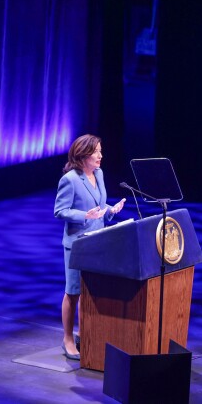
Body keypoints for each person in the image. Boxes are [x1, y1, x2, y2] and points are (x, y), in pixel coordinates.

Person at [54, 134, 125, 360]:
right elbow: (60, 211)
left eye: (101, 151)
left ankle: (87, 334)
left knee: (91, 292)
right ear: (84, 155)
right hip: (77, 245)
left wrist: (111, 210)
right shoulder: (70, 180)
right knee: (73, 292)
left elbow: (99, 204)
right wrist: (85, 215)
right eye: (97, 152)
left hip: (98, 242)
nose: (101, 156)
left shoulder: (99, 174)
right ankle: (67, 338)